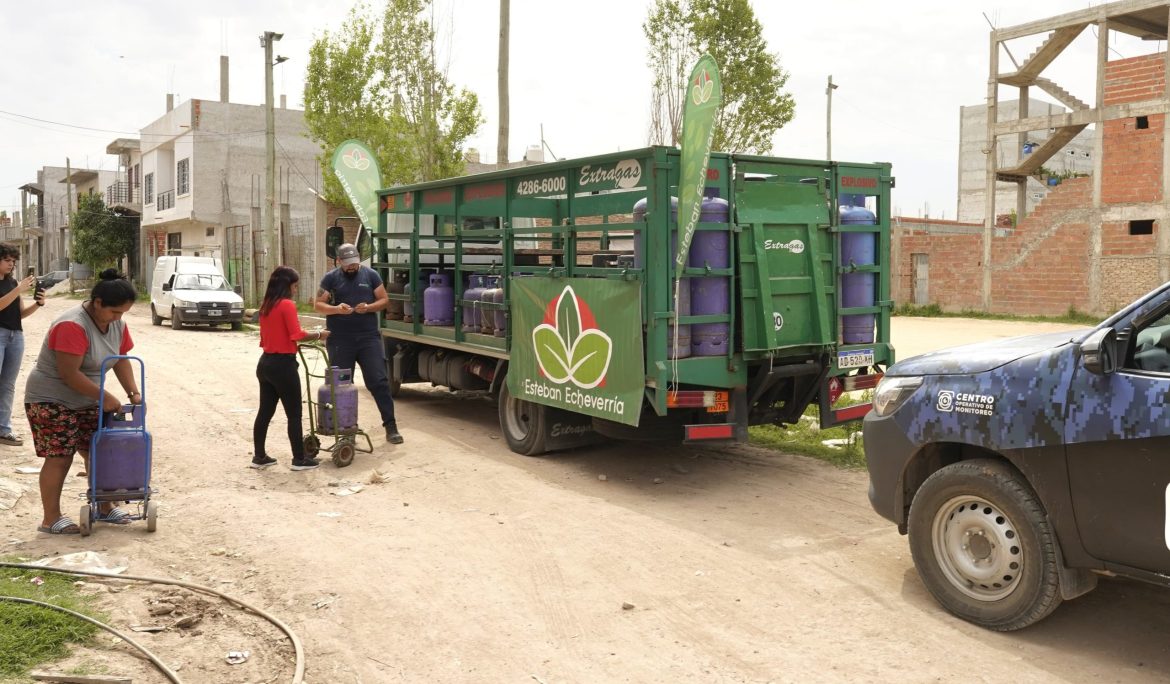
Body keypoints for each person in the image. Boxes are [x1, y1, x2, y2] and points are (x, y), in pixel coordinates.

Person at [24, 269, 140, 535]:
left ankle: (104, 507)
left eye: (123, 313)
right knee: (60, 456)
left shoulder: (117, 324)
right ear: (97, 303)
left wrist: (133, 392)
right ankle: (50, 518)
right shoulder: (72, 324)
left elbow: (120, 359)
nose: (118, 318)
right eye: (114, 312)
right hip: (50, 397)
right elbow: (69, 374)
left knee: (99, 450)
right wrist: (105, 396)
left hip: (86, 395)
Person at [314, 243, 403, 444]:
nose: (351, 267)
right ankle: (345, 431)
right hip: (340, 339)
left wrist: (370, 307)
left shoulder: (371, 275)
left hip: (368, 338)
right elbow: (319, 305)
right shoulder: (330, 278)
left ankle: (391, 427)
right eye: (347, 264)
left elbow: (384, 300)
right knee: (341, 385)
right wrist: (337, 309)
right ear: (339, 262)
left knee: (379, 381)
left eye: (354, 263)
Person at [254, 266, 330, 471]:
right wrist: (319, 335)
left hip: (265, 363)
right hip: (283, 365)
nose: (296, 289)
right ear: (286, 286)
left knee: (265, 412)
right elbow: (296, 334)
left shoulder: (266, 305)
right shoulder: (287, 305)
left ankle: (259, 456)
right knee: (294, 414)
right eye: (294, 285)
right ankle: (299, 459)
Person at [0, 244, 46, 446]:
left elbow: (20, 314)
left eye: (13, 261)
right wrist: (19, 289)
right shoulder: (14, 286)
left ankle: (3, 429)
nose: (11, 264)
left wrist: (38, 304)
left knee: (8, 385)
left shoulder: (12, 282)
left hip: (15, 335)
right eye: (7, 260)